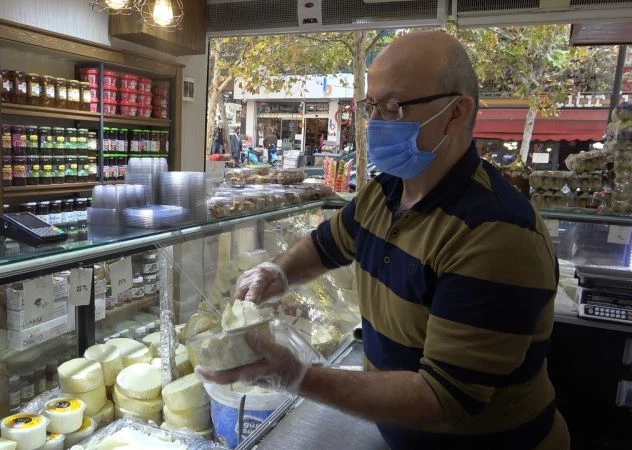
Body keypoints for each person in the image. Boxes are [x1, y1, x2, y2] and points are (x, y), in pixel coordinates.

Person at [198, 31, 569, 449]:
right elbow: (325, 245)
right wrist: (278, 271)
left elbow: (443, 402)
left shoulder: (496, 234)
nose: (374, 123)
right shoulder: (384, 191)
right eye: (370, 106)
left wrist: (297, 376)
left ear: (455, 112)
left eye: (393, 107)